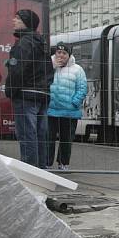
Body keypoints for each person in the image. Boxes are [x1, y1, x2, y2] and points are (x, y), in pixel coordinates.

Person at [5, 9, 53, 168]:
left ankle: (29, 171)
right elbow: (48, 70)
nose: (13, 20)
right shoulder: (41, 43)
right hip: (42, 94)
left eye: (17, 18)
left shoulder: (23, 43)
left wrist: (10, 90)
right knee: (40, 135)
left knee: (27, 134)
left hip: (26, 94)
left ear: (26, 22)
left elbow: (18, 70)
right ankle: (41, 170)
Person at [47, 42, 87, 171]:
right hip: (50, 110)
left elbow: (82, 88)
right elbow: (41, 81)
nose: (61, 55)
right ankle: (46, 163)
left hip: (69, 112)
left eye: (64, 53)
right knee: (48, 138)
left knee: (66, 140)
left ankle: (63, 163)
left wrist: (74, 102)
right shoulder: (48, 66)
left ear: (69, 55)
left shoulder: (77, 69)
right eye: (58, 52)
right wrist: (52, 67)